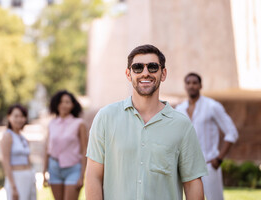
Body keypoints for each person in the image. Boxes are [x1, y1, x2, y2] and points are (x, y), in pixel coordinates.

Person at [85, 44, 208, 200]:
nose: (145, 73)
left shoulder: (182, 125)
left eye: (152, 67)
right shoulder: (105, 117)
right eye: (137, 68)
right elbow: (93, 176)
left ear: (163, 74)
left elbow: (192, 183)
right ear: (128, 74)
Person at [175, 72, 239, 200]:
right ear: (185, 86)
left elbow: (232, 132)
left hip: (209, 164)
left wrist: (219, 159)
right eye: (188, 83)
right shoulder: (179, 109)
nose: (191, 86)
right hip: (186, 166)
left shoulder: (212, 106)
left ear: (200, 85)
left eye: (194, 83)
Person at [43, 90, 88, 200]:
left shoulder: (79, 124)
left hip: (73, 169)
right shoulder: (52, 124)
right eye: (61, 102)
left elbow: (84, 150)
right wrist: (44, 172)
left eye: (67, 102)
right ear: (56, 104)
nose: (64, 105)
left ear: (73, 105)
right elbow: (47, 149)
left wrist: (82, 175)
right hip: (54, 169)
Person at [1, 104, 36, 200]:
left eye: (22, 116)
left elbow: (28, 160)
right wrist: (13, 186)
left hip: (28, 176)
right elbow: (5, 161)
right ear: (9, 117)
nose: (19, 119)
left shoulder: (23, 138)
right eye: (16, 116)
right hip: (16, 177)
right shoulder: (8, 136)